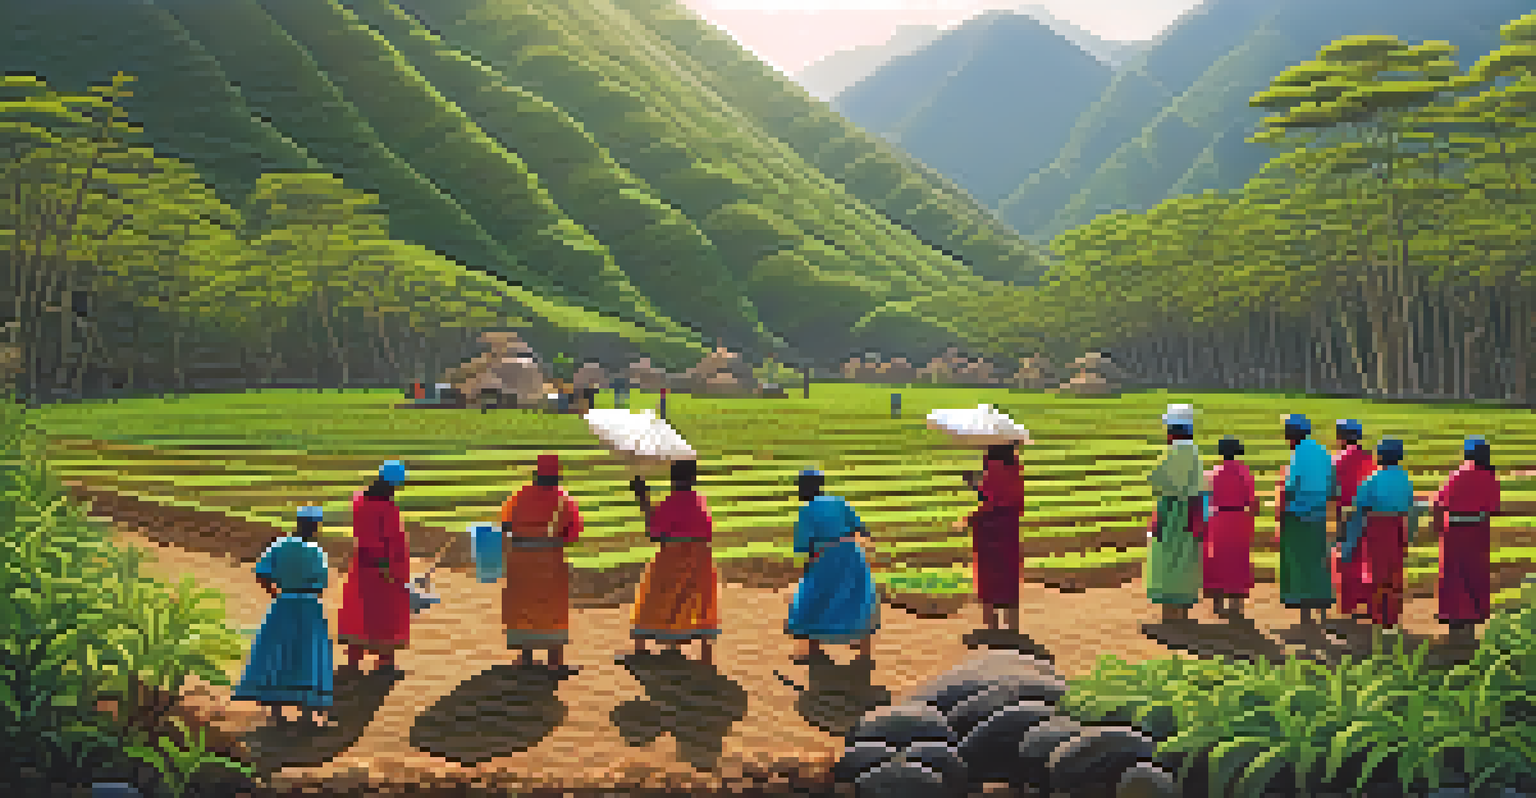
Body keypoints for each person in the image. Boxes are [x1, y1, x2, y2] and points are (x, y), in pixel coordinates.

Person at [234, 506, 334, 726]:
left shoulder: (278, 546)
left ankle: (276, 710)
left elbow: (261, 574)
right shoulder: (316, 552)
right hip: (308, 607)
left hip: (284, 603)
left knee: (278, 652)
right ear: (314, 527)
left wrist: (277, 594)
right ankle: (307, 712)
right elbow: (321, 586)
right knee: (307, 655)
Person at [625, 459, 722, 664]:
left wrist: (643, 499)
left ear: (673, 479)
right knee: (698, 601)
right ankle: (703, 654)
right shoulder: (699, 501)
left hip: (674, 556)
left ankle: (640, 649)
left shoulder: (673, 501)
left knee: (654, 597)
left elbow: (654, 533)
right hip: (701, 558)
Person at [500, 454, 584, 671]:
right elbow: (573, 533)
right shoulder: (564, 500)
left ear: (536, 474)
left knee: (523, 605)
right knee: (552, 608)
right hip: (549, 559)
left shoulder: (518, 496)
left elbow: (505, 525)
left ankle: (525, 656)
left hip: (520, 558)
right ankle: (555, 661)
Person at [786, 469, 880, 663]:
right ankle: (864, 651)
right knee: (857, 599)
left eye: (800, 486)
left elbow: (805, 545)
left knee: (813, 597)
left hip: (825, 557)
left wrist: (808, 568)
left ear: (806, 488)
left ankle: (813, 649)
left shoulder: (807, 509)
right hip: (852, 554)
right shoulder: (839, 502)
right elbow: (861, 528)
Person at [1339, 439, 1417, 649]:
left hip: (1377, 527)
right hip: (1398, 526)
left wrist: (1349, 540)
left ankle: (1379, 618)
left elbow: (1359, 506)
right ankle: (1391, 619)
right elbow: (1411, 505)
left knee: (1377, 574)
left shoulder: (1373, 479)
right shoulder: (1405, 479)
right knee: (1394, 573)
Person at [337, 460, 411, 674]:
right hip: (384, 567)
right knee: (385, 613)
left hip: (363, 564)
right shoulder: (385, 507)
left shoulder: (360, 499)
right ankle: (385, 661)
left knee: (360, 609)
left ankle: (353, 660)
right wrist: (386, 566)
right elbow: (383, 539)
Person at [1432, 436, 1502, 647]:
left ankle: (1455, 614)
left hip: (1453, 529)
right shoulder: (1490, 477)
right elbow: (1494, 509)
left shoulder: (1457, 474)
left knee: (1453, 572)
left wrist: (1437, 528)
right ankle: (1473, 613)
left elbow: (1438, 502)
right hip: (1478, 531)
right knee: (1475, 571)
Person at [953, 442, 1026, 632]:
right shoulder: (1015, 467)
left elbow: (989, 500)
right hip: (1009, 527)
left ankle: (991, 626)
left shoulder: (994, 466)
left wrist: (968, 517)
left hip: (990, 527)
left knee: (989, 576)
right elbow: (1005, 497)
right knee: (1008, 576)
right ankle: (1012, 626)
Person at [1274, 414, 1337, 626]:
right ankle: (1322, 607)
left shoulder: (1298, 454)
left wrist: (1280, 513)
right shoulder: (1323, 452)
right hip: (1318, 514)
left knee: (1298, 560)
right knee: (1318, 559)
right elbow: (1331, 485)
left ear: (1292, 434)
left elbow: (1290, 487)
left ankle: (1304, 612)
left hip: (1298, 514)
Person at [1146, 404, 1206, 623]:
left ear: (1173, 429)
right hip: (1191, 511)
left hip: (1172, 511)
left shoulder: (1173, 452)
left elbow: (1156, 482)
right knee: (1186, 559)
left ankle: (1169, 614)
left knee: (1166, 559)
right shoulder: (1195, 452)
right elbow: (1200, 488)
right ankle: (1182, 612)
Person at [1203, 436, 1259, 620]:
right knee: (1238, 560)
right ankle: (1236, 605)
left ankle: (1218, 603)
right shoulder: (1245, 472)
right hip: (1239, 519)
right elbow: (1253, 503)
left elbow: (1206, 500)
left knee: (1217, 560)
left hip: (1218, 519)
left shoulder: (1212, 473)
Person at [1330, 419, 1376, 622]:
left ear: (1341, 437)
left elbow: (1332, 490)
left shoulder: (1336, 460)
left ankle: (1348, 604)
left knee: (1346, 558)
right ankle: (1366, 602)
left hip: (1346, 514)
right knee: (1366, 558)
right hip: (1368, 513)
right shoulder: (1369, 459)